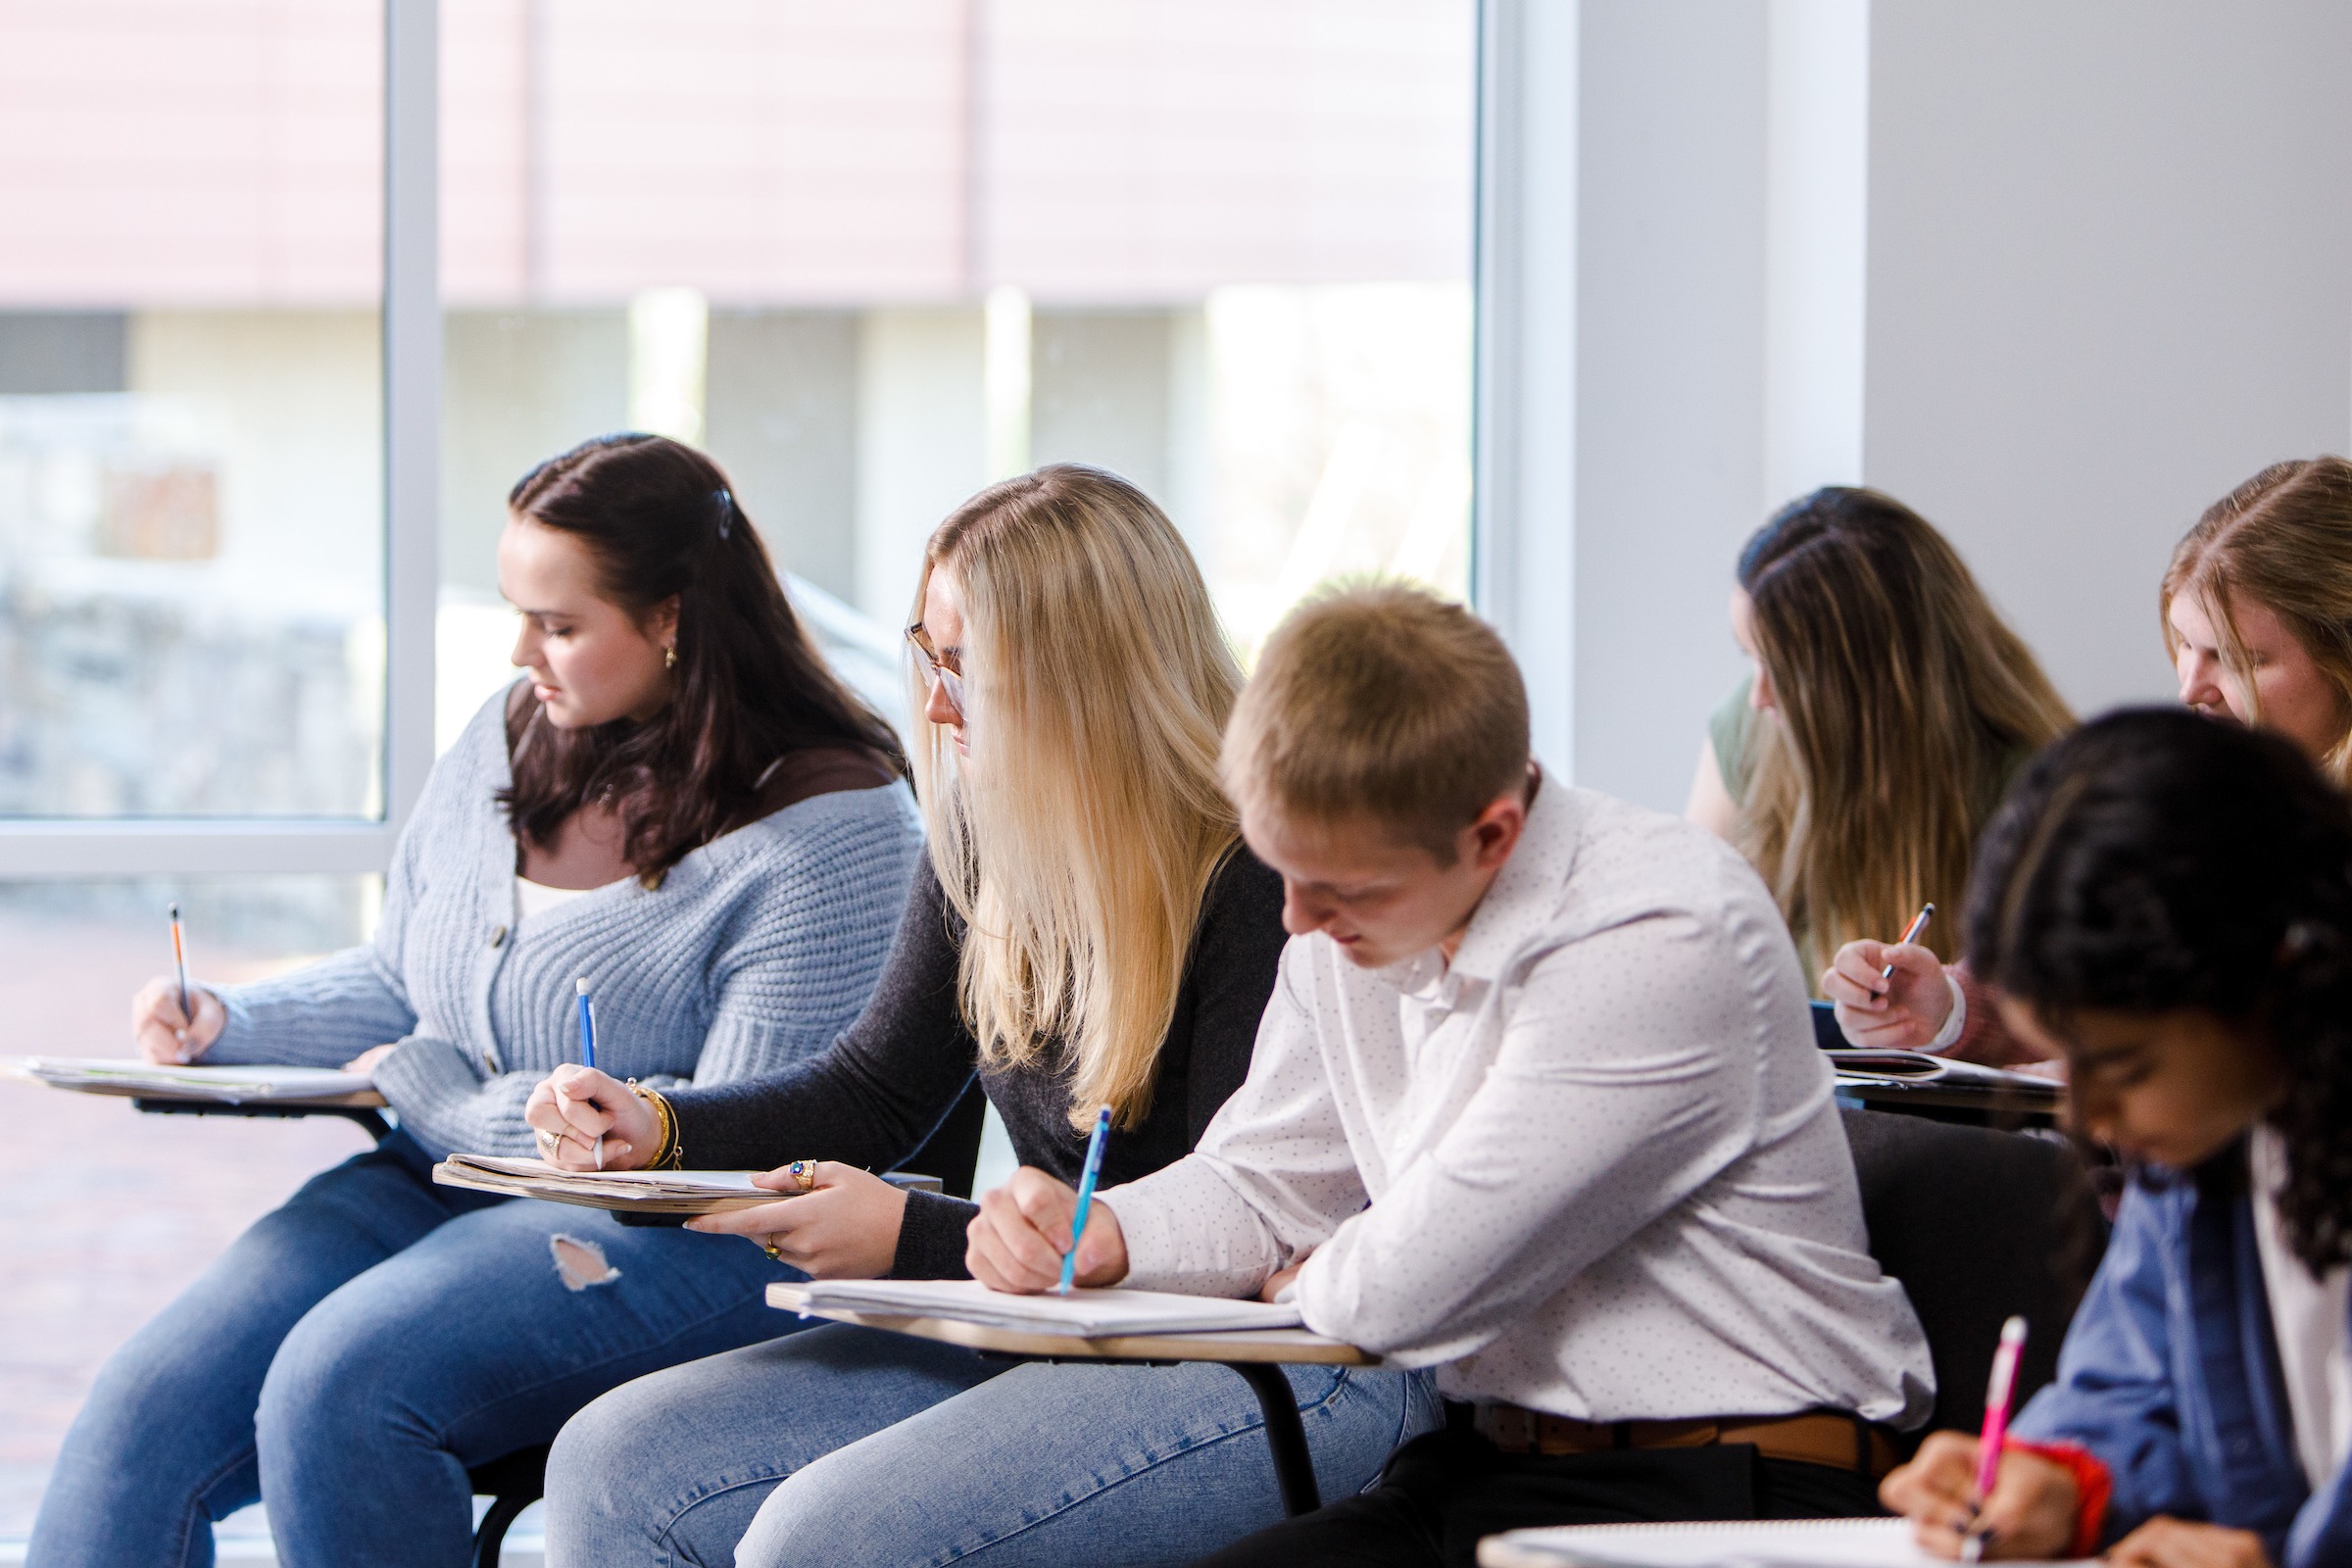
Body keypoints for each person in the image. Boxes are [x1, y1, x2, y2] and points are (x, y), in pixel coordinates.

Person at [28, 434, 924, 1568]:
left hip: (679, 1239)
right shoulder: (511, 731)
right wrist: (228, 1022)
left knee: (341, 1386)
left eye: (559, 624)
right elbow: (411, 980)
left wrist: (439, 1095)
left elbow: (731, 1149)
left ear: (672, 618)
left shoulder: (830, 825)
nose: (523, 653)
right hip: (436, 1182)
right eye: (517, 613)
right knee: (143, 1410)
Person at [534, 466, 1436, 1567]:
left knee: (821, 1541)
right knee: (607, 1462)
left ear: (1084, 678)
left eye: (967, 667)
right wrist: (660, 1128)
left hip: (1256, 1351)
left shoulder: (1260, 872)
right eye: (930, 654)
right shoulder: (983, 838)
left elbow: (1234, 1224)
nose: (938, 703)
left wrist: (915, 1239)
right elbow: (874, 1087)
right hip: (1046, 1320)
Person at [973, 582, 1934, 1568]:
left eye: (1340, 885)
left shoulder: (1662, 926)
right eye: (1282, 865)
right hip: (1492, 1464)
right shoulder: (1350, 914)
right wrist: (1107, 1234)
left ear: (1491, 836)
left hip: (1734, 1484)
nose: (1296, 918)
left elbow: (1413, 1283)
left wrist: (1341, 1267)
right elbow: (1267, 1177)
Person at [1881, 708, 2352, 1567]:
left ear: (2273, 977)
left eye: (2126, 1066)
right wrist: (2061, 1480)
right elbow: (2137, 1379)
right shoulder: (2198, 1156)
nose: (2085, 1114)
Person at [1828, 457, 2352, 1064]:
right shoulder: (2196, 794)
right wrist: (1946, 1007)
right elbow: (2082, 977)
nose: (2190, 687)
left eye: (2235, 658)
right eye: (2185, 644)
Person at [1685, 487, 2072, 1019]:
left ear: (1868, 685)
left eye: (1784, 672)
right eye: (1750, 657)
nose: (1759, 697)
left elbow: (2053, 1025)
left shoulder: (2032, 787)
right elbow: (1693, 953)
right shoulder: (1750, 728)